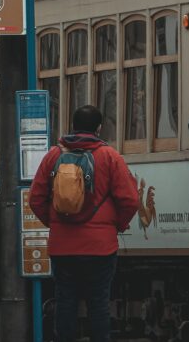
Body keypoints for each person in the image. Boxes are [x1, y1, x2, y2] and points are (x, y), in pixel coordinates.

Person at [30, 105, 140, 342]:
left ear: (73, 126)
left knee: (65, 300)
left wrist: (54, 223)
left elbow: (35, 198)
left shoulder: (54, 156)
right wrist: (116, 225)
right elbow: (130, 200)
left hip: (63, 247)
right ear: (99, 128)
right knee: (99, 302)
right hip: (100, 247)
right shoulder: (109, 156)